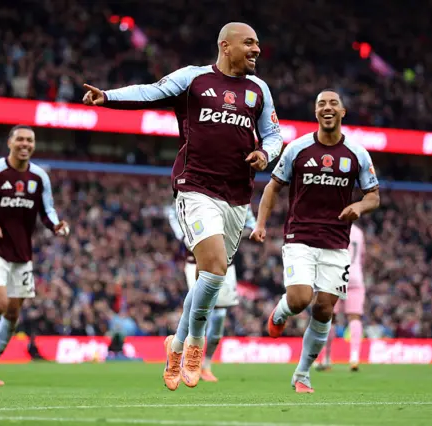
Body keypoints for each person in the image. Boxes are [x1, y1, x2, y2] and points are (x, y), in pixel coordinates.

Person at [83, 22, 283, 390]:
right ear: (226, 46)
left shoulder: (259, 90)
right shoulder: (193, 80)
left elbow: (274, 134)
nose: (257, 49)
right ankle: (194, 344)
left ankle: (173, 346)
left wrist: (265, 153)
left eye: (258, 43)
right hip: (195, 187)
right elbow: (151, 92)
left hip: (237, 195)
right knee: (213, 265)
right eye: (250, 43)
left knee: (211, 276)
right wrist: (108, 97)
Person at [250, 89, 379, 393]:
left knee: (324, 310)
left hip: (336, 244)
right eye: (322, 104)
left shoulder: (357, 154)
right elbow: (272, 187)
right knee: (299, 299)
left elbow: (373, 196)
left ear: (343, 112)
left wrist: (358, 206)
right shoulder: (297, 148)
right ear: (316, 112)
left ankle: (302, 374)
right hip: (300, 238)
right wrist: (261, 223)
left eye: (333, 103)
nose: (328, 108)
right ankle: (281, 312)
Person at [0, 125, 69, 385]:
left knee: (12, 314)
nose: (25, 144)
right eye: (20, 139)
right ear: (10, 142)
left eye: (30, 140)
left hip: (22, 253)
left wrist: (56, 225)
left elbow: (47, 209)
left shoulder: (39, 176)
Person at [167, 203, 257, 382]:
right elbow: (173, 211)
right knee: (200, 308)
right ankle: (180, 353)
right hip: (195, 262)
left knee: (219, 316)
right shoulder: (200, 190)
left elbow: (251, 223)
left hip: (226, 266)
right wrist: (184, 234)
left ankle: (205, 365)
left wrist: (247, 230)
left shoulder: (239, 194)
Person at [315, 224, 366, 372]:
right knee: (354, 317)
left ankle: (326, 358)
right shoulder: (359, 231)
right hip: (355, 276)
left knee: (331, 318)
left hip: (336, 276)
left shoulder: (333, 228)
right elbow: (362, 257)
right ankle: (354, 357)